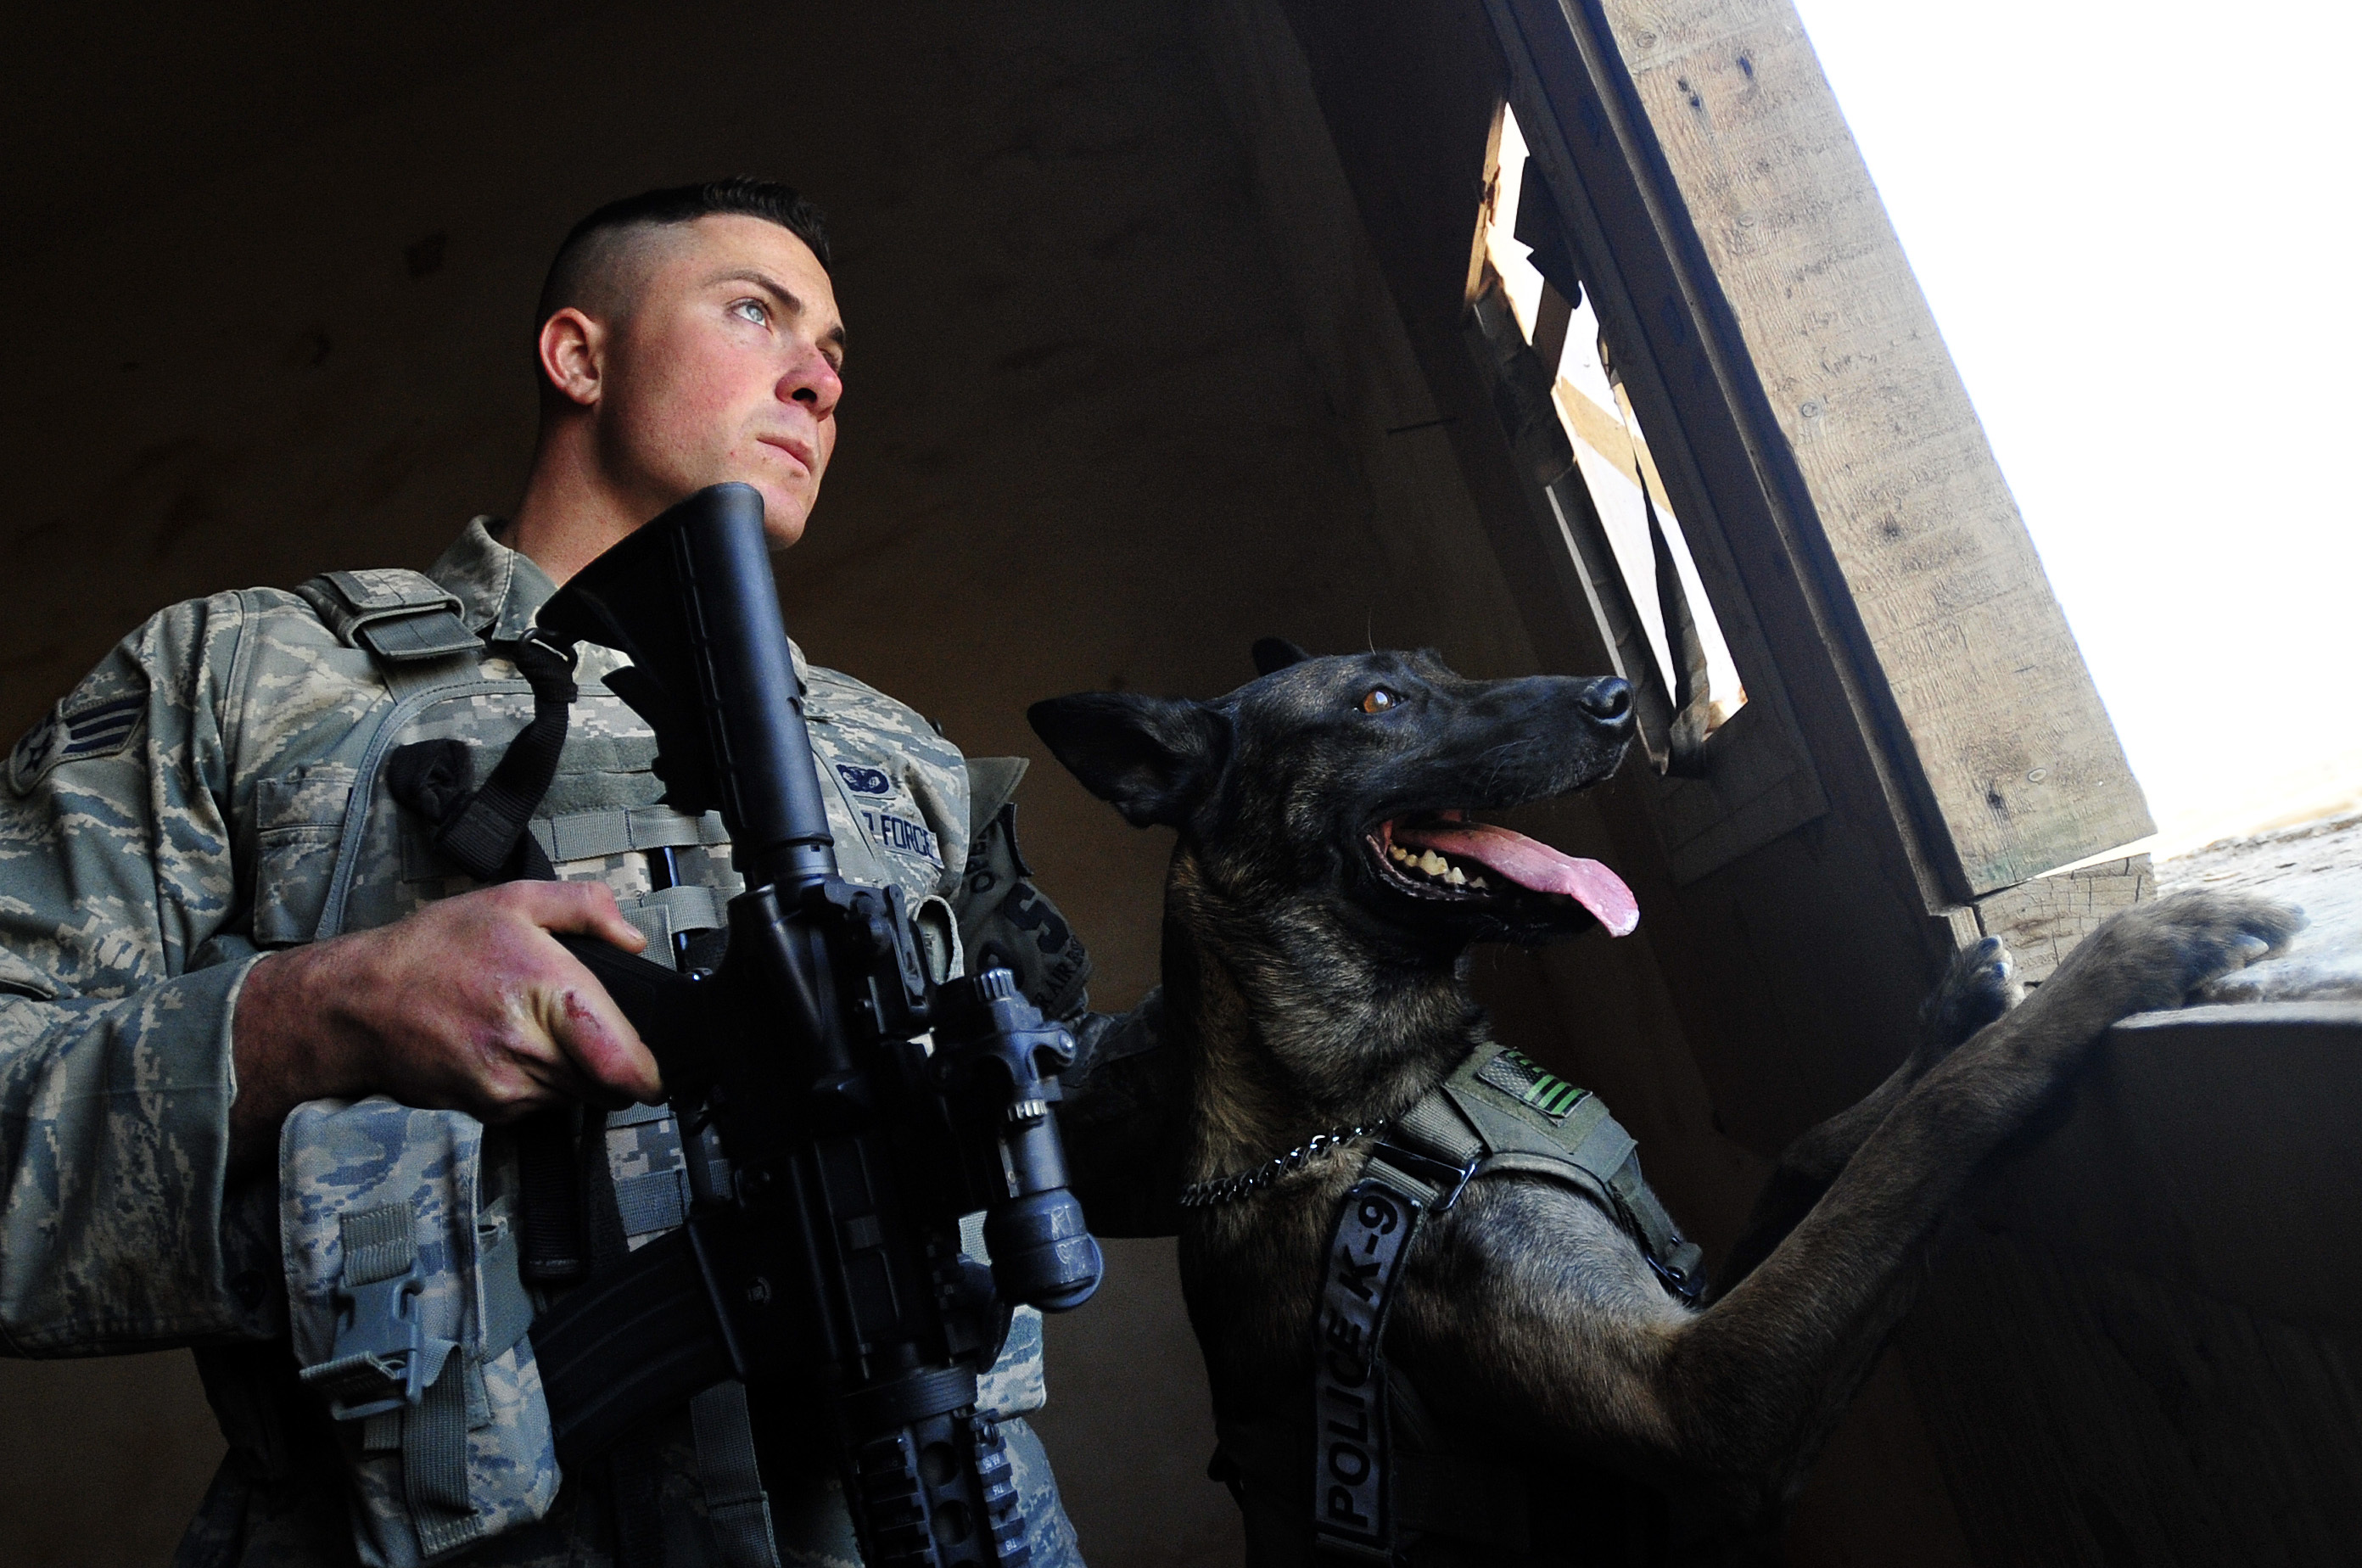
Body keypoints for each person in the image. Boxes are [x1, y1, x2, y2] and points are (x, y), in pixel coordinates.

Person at [0, 178, 1173, 1568]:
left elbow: (1058, 1128)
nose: (818, 380)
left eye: (838, 355)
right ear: (579, 355)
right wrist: (316, 1012)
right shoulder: (248, 676)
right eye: (756, 313)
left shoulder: (897, 753)